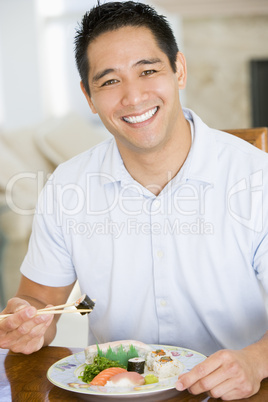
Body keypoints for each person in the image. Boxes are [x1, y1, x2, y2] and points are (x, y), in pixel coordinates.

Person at [0, 1, 268, 399]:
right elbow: (39, 300)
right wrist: (23, 321)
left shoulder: (257, 177)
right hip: (114, 391)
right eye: (109, 82)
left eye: (148, 71)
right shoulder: (67, 185)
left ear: (179, 70)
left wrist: (255, 360)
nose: (133, 96)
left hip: (237, 392)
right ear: (88, 96)